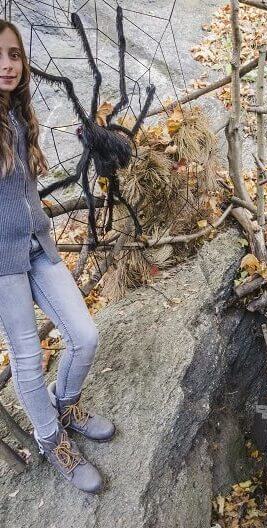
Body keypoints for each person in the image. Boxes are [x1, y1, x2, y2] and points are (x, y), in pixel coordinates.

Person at [0, 21, 114, 494]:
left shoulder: (17, 117)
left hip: (39, 245)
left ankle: (64, 403)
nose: (7, 65)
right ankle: (53, 442)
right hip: (2, 264)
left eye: (13, 55)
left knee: (84, 334)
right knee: (27, 359)